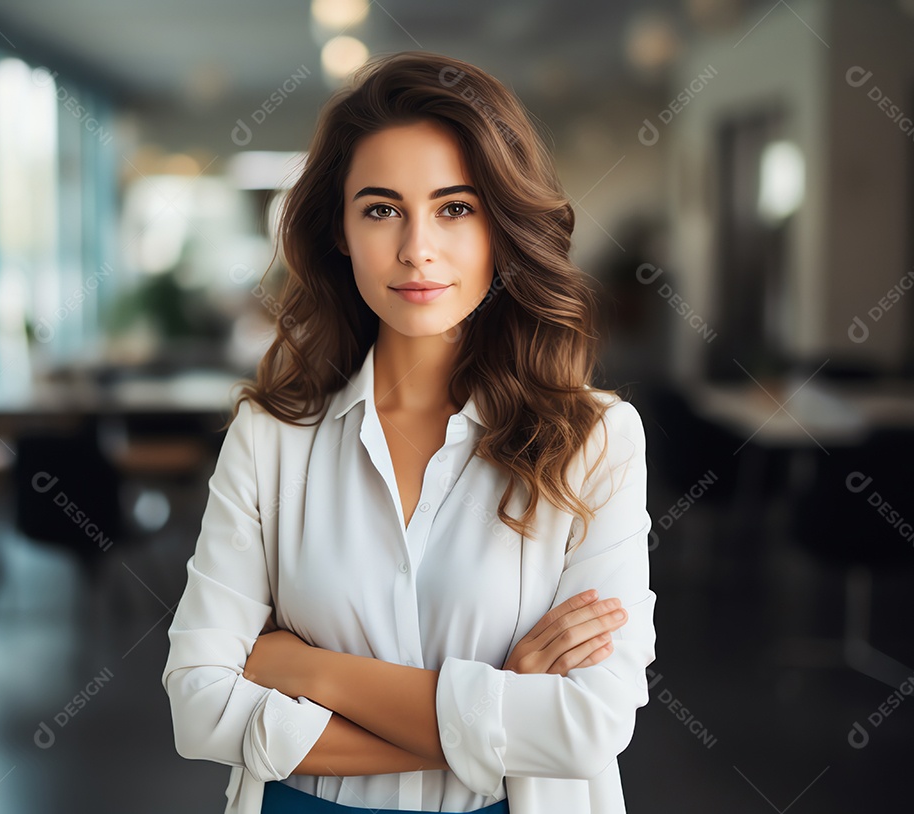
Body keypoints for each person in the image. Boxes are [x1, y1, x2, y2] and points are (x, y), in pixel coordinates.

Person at [162, 51, 656, 814]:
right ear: (340, 232)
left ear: (502, 225)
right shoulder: (269, 436)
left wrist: (311, 672)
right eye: (382, 208)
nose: (416, 248)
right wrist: (500, 707)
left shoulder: (595, 440)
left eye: (455, 208)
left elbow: (590, 723)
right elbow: (197, 707)